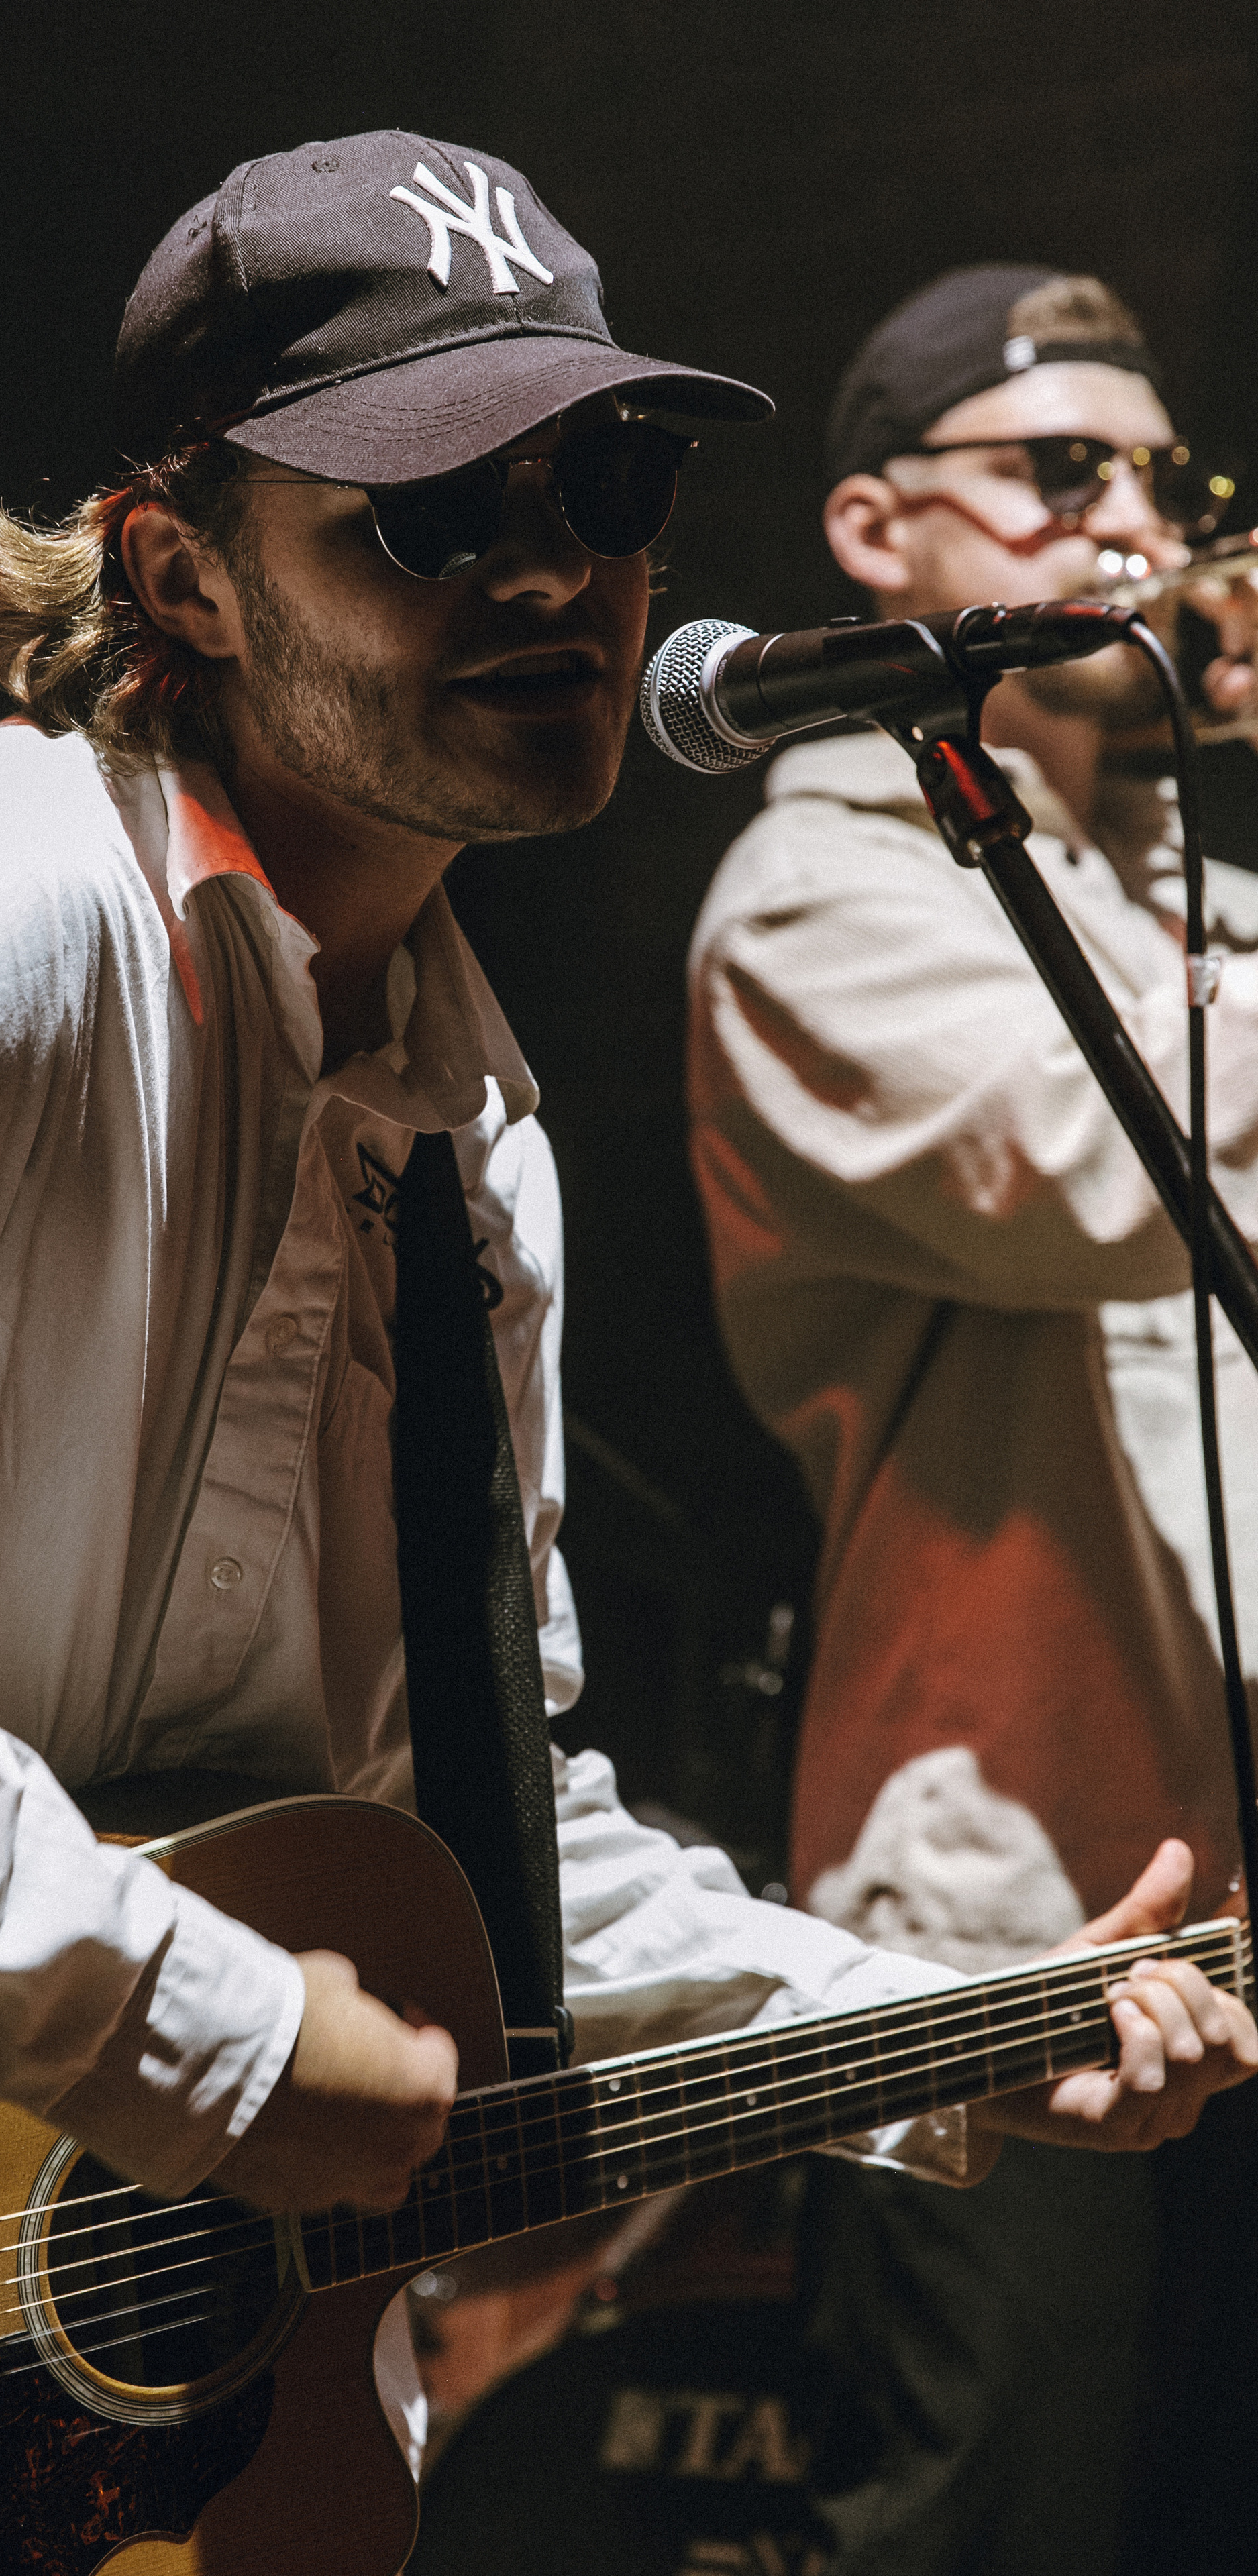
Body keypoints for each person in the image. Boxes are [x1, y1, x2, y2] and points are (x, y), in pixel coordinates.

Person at [0, 158, 1248, 2483]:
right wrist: (208, 2033)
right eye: (427, 512)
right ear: (183, 575)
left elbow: (484, 1828)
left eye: (605, 480)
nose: (553, 567)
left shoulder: (470, 1137)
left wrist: (936, 2028)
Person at [688, 264, 1258, 2571]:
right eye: (1056, 472)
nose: (1128, 520)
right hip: (1017, 1927)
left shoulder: (1162, 891)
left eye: (1158, 477)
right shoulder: (819, 888)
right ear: (870, 532)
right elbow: (1124, 1161)